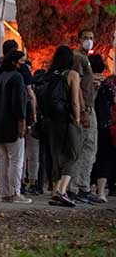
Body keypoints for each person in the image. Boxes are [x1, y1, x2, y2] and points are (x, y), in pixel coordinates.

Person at [39, 45, 83, 207]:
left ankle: (55, 189)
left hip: (51, 120)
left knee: (56, 155)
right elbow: (75, 101)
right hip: (66, 118)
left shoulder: (49, 75)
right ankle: (62, 190)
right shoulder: (72, 74)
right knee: (73, 154)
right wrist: (77, 118)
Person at [0, 49, 31, 204]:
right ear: (15, 62)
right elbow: (18, 102)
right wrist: (22, 121)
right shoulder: (16, 78)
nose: (23, 64)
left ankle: (5, 192)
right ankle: (15, 192)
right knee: (16, 160)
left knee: (2, 160)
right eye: (21, 61)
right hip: (12, 124)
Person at [68, 29, 100, 204]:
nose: (89, 41)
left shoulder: (85, 58)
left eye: (91, 38)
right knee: (87, 147)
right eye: (86, 38)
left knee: (86, 147)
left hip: (87, 106)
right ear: (79, 39)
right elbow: (77, 86)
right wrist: (83, 110)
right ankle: (81, 186)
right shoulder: (78, 58)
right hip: (85, 108)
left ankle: (77, 186)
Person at [92, 54, 114, 202]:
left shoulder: (85, 82)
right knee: (104, 157)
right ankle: (101, 192)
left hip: (88, 122)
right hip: (106, 124)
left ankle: (86, 187)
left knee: (89, 156)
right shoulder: (109, 85)